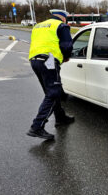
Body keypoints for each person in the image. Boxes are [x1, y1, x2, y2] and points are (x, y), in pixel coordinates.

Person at [27, 9, 75, 140]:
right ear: (63, 18)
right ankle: (37, 126)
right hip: (48, 61)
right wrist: (66, 57)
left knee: (53, 91)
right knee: (53, 93)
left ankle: (60, 117)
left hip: (34, 60)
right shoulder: (61, 25)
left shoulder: (38, 26)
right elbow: (67, 46)